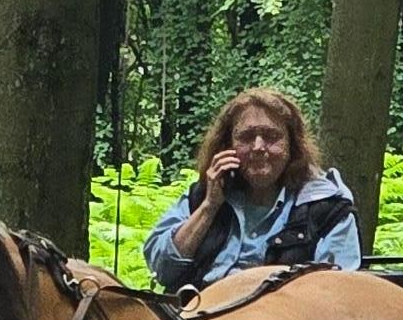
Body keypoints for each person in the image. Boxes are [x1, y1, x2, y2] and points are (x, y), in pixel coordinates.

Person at [143, 88, 362, 291]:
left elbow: (337, 295)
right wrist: (209, 207)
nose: (258, 147)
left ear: (292, 146)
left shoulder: (327, 207)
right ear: (228, 145)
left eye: (271, 136)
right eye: (246, 137)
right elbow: (162, 271)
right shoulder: (203, 195)